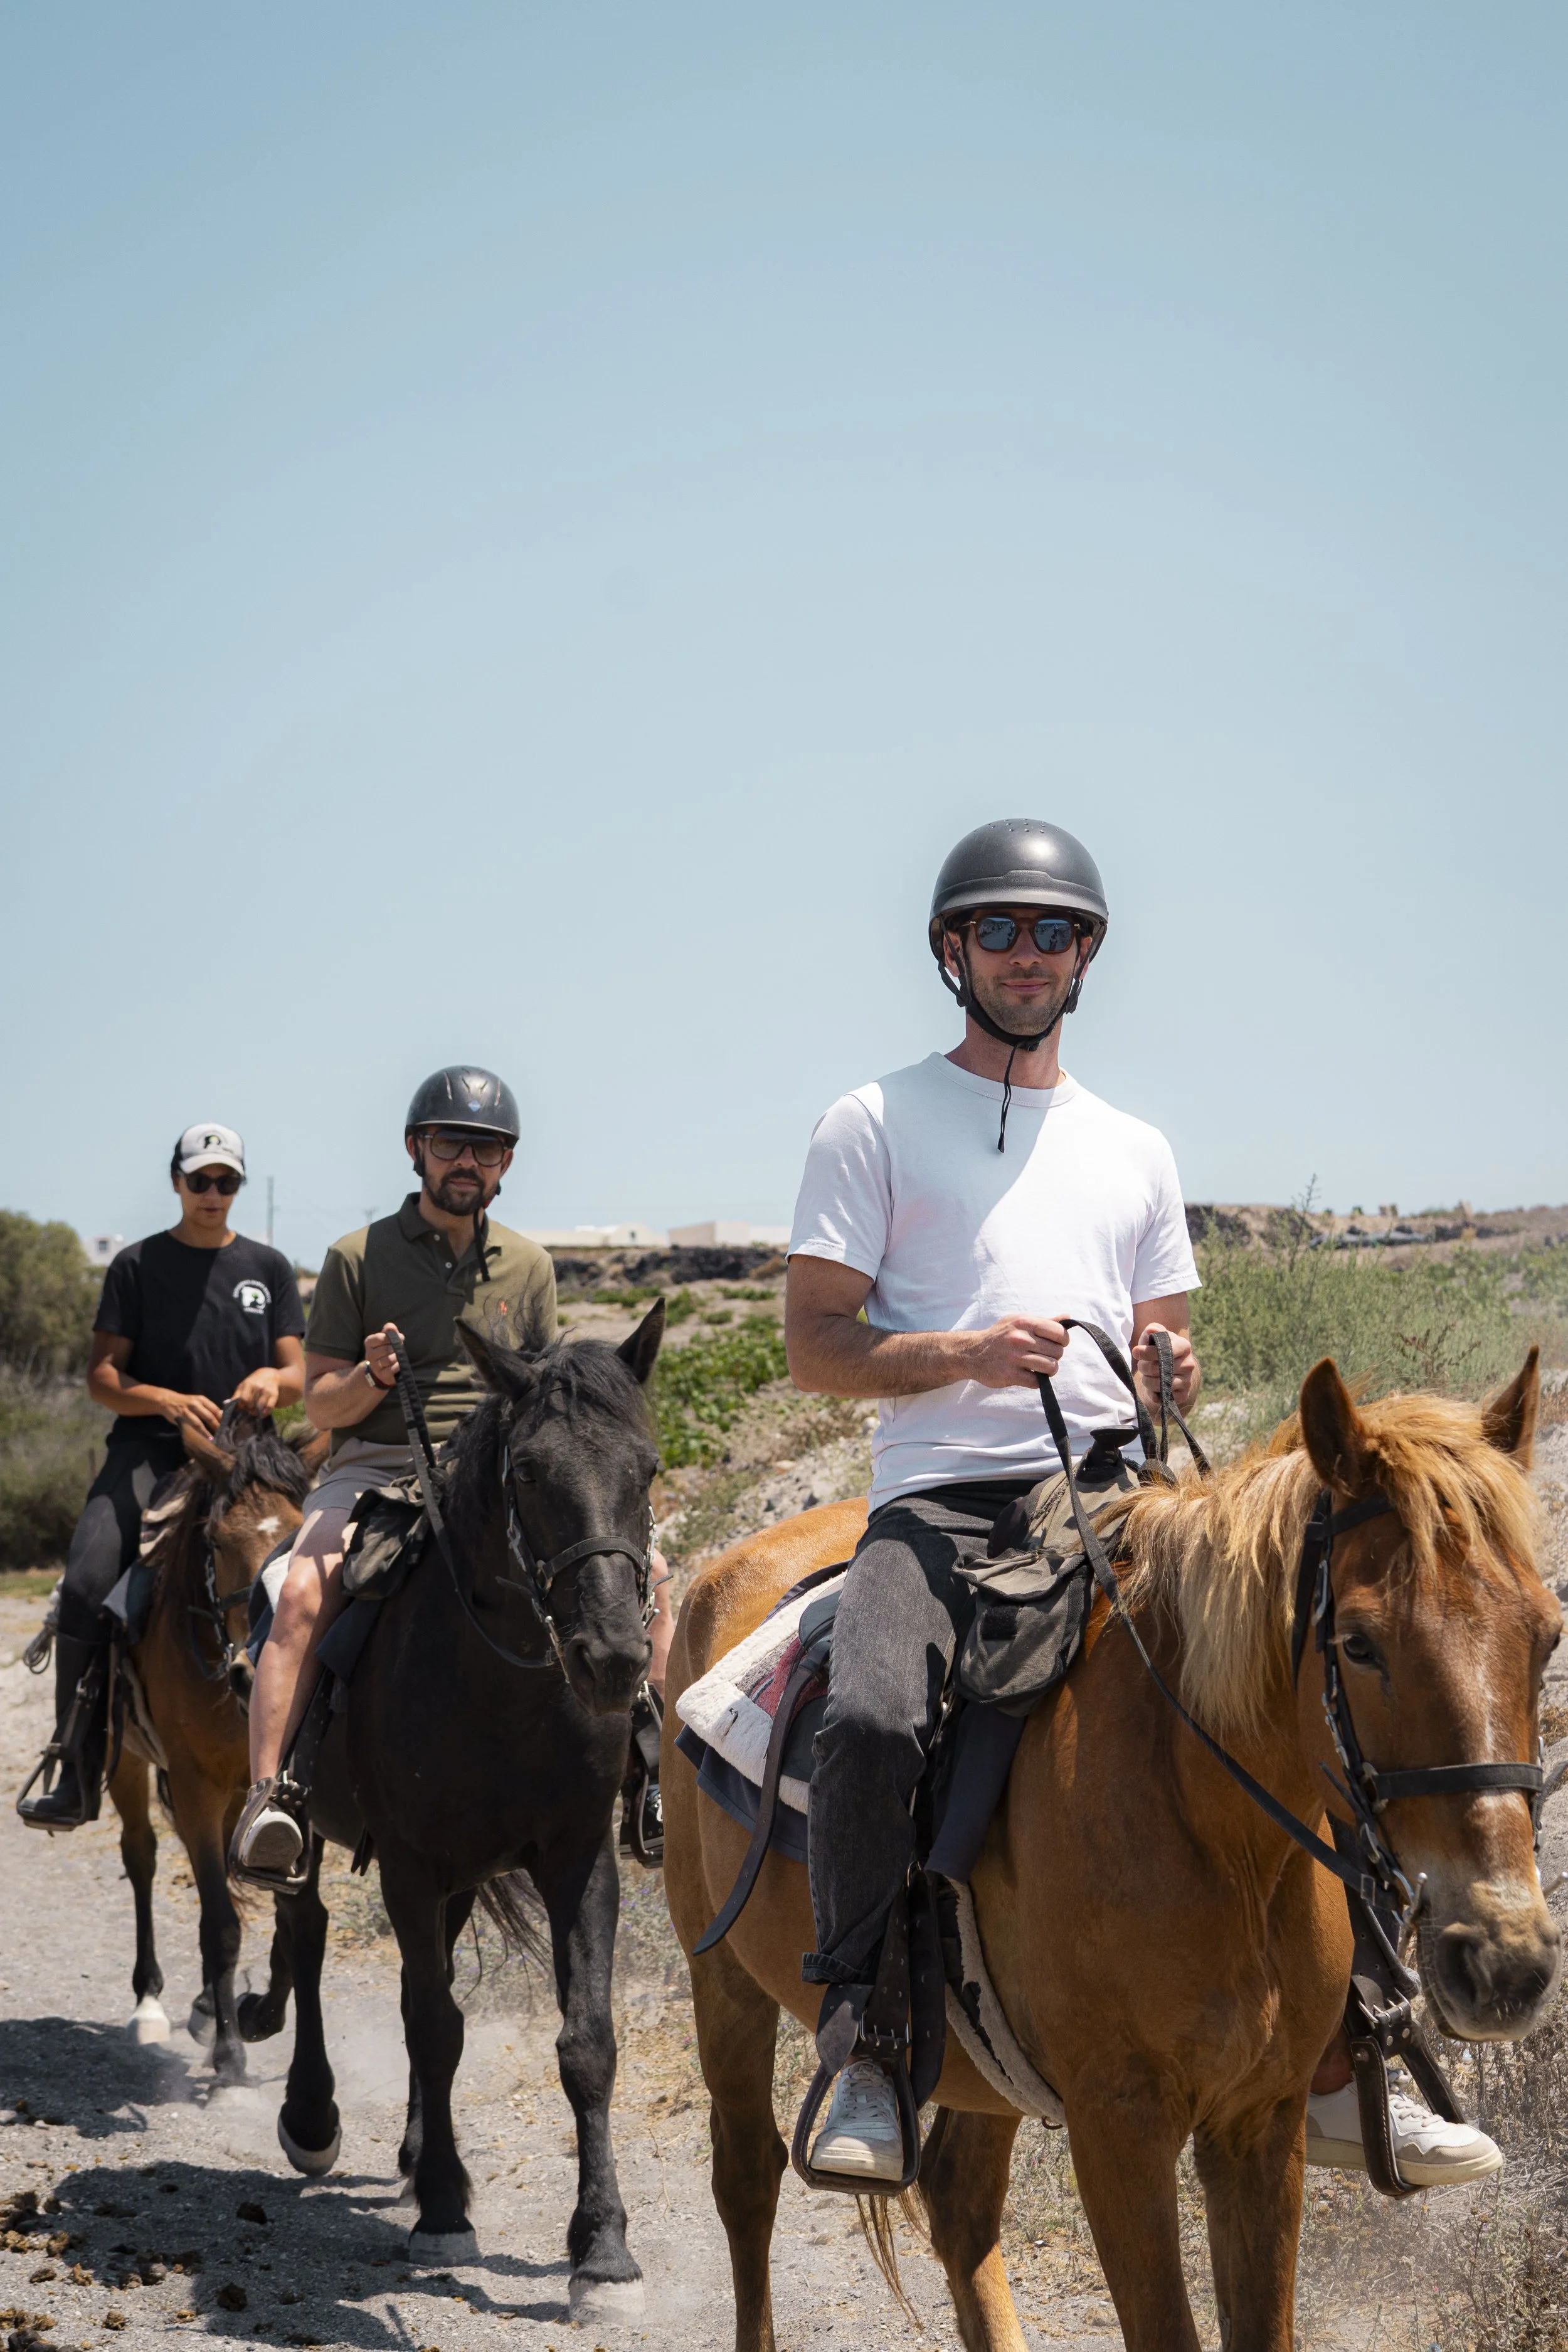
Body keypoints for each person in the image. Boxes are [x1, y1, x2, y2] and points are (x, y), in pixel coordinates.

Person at [783, 816, 1500, 2193]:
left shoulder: (1133, 1148)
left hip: (1117, 1498)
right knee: (869, 1714)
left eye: (1053, 932)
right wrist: (962, 1353)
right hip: (937, 1504)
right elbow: (816, 1347)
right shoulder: (867, 1121)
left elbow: (1161, 1335)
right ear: (950, 951)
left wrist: (1165, 1360)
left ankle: (1366, 2049)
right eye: (996, 930)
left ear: (1085, 956)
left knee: (1316, 1686)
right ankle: (868, 2040)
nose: (1026, 953)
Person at [232, 1066, 675, 1878]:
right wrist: (369, 1376)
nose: (467, 1161)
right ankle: (274, 1796)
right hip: (373, 1461)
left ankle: (654, 1776)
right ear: (416, 1150)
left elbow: (544, 1398)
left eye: (488, 1148)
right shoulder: (355, 1257)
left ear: (506, 1163)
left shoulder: (531, 1265)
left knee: (651, 1575)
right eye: (450, 1144)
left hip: (494, 1468)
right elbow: (322, 1406)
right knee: (298, 1592)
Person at [18, 1124, 305, 1830]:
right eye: (200, 1180)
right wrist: (165, 1401)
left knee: (330, 1572)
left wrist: (273, 1378)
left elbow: (299, 1373)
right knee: (87, 1581)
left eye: (226, 1182)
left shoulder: (268, 1268)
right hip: (148, 1453)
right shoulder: (137, 1266)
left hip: (247, 1461)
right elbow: (102, 1379)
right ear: (176, 1182)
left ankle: (328, 1763)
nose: (213, 1194)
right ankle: (78, 1764)